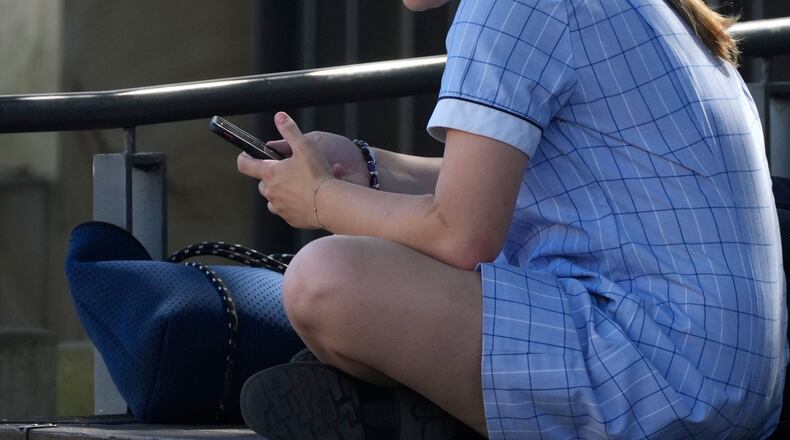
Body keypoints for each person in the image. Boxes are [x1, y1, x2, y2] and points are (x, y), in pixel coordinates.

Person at [236, 0, 787, 438]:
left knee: (323, 282)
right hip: (728, 389)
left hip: (654, 386)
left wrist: (319, 202)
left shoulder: (509, 6)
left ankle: (422, 412)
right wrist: (368, 167)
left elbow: (462, 234)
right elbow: (522, 180)